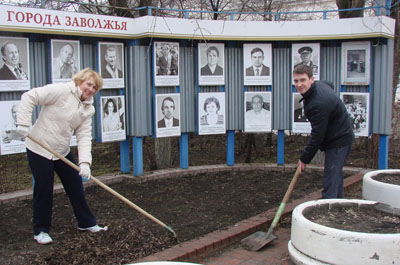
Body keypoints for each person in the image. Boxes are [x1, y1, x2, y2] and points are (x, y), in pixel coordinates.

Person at [16, 68, 107, 245]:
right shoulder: (61, 91)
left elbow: (84, 136)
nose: (90, 89)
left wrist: (85, 163)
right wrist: (23, 124)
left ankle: (86, 223)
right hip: (39, 148)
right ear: (80, 81)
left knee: (75, 185)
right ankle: (40, 230)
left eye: (94, 87)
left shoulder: (88, 108)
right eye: (88, 84)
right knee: (44, 188)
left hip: (61, 151)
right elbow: (30, 96)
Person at [293, 65, 354, 199]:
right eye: (296, 81)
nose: (299, 84)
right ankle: (339, 205)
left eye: (303, 80)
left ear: (312, 79)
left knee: (331, 178)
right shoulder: (320, 86)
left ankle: (329, 211)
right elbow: (330, 84)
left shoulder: (317, 104)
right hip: (339, 133)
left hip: (339, 140)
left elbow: (317, 135)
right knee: (335, 174)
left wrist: (304, 158)